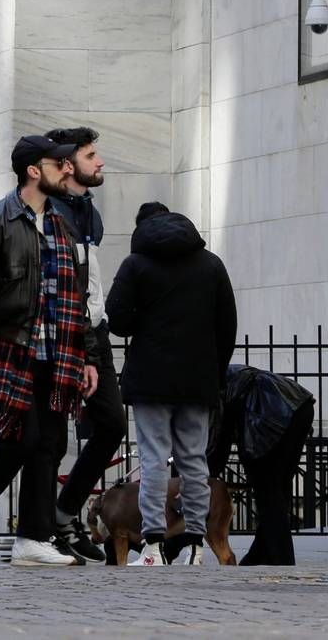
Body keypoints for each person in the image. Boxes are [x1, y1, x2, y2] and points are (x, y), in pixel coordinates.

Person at [0, 135, 98, 567]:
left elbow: (78, 295)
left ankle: (33, 537)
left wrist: (86, 355)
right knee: (22, 437)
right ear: (34, 170)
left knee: (51, 443)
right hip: (15, 346)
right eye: (57, 163)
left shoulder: (63, 223)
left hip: (60, 350)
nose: (66, 169)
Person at [106, 201, 236, 566]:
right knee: (194, 461)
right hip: (197, 378)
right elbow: (227, 325)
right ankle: (194, 544)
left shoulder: (135, 265)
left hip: (150, 377)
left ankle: (152, 546)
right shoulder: (211, 265)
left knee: (153, 461)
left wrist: (144, 319)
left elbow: (117, 320)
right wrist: (215, 371)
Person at [43, 126, 116, 563]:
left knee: (112, 424)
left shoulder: (87, 210)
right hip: (64, 334)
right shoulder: (51, 214)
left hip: (94, 332)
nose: (100, 161)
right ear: (68, 165)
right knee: (49, 436)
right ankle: (41, 527)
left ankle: (63, 512)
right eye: (91, 156)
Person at [208, 364, 314, 565]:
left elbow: (219, 438)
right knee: (278, 487)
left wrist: (207, 473)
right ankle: (259, 555)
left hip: (268, 411)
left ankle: (282, 559)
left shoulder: (207, 390)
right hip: (298, 403)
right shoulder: (220, 377)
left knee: (268, 491)